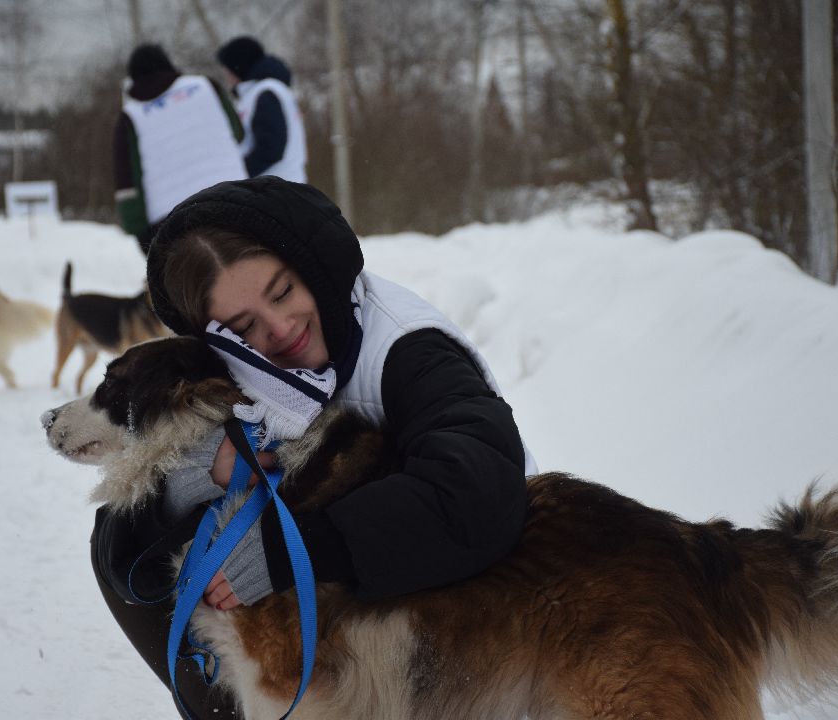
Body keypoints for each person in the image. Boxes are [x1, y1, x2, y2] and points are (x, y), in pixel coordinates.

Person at [91, 176, 537, 717]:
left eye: (283, 292)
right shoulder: (238, 374)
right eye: (244, 325)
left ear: (314, 267)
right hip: (360, 598)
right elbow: (120, 554)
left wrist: (293, 549)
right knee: (150, 535)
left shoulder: (408, 351)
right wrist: (193, 482)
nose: (280, 329)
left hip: (487, 590)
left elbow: (477, 491)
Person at [113, 43, 246, 255]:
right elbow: (238, 134)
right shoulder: (206, 86)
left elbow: (128, 184)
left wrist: (142, 236)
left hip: (173, 224)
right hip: (235, 200)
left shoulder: (129, 117)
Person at [215, 36, 308, 182]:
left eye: (227, 70)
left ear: (237, 66)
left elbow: (271, 149)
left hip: (275, 191)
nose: (227, 77)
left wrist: (233, 175)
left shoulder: (265, 93)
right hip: (278, 188)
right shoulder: (263, 92)